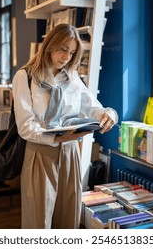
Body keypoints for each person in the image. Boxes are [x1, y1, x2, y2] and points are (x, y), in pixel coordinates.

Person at [12, 23, 118, 229]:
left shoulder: (72, 78)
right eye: (63, 49)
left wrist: (109, 114)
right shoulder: (25, 77)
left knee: (69, 217)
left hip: (70, 153)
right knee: (39, 222)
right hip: (40, 154)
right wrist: (55, 137)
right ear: (50, 45)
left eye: (71, 52)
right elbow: (25, 126)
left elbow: (93, 108)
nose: (66, 57)